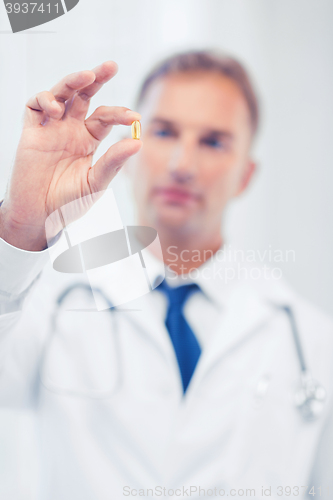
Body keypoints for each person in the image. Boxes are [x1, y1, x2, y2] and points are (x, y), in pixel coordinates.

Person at [0, 51, 332, 500]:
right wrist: (21, 224)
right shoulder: (46, 302)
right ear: (132, 150)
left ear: (245, 176)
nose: (182, 163)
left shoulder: (313, 342)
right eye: (162, 132)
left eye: (213, 142)